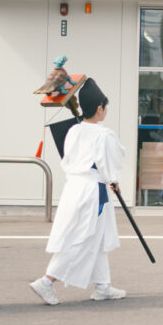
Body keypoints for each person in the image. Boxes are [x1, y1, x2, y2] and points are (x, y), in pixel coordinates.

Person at [30, 78, 127, 305]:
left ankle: (103, 286)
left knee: (96, 237)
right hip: (93, 192)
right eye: (105, 107)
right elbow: (113, 159)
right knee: (81, 238)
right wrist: (113, 179)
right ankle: (46, 281)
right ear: (100, 108)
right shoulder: (104, 134)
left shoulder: (73, 130)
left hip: (74, 188)